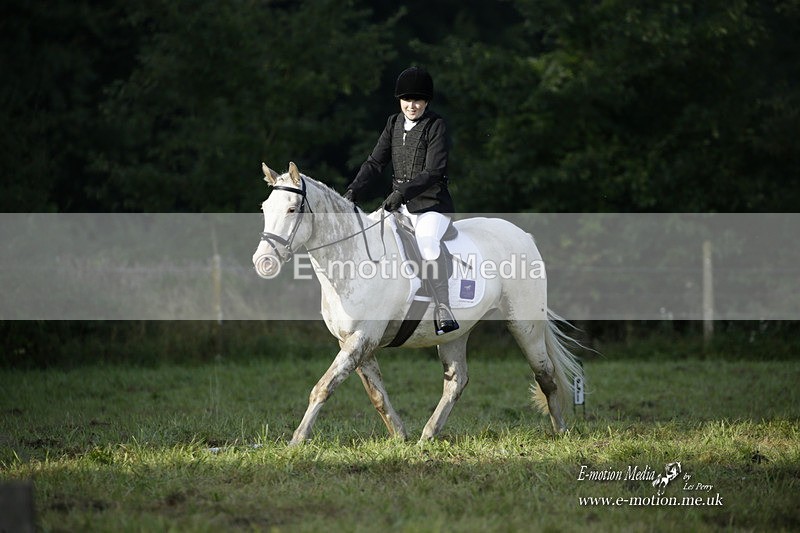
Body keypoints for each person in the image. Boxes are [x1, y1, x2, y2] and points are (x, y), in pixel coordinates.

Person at [344, 66, 459, 335]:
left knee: (428, 244)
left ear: (426, 101)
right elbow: (375, 163)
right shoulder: (393, 123)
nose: (412, 105)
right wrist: (353, 191)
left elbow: (434, 171)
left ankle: (443, 308)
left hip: (432, 206)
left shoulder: (435, 125)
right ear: (400, 100)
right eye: (407, 100)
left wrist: (401, 193)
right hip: (400, 206)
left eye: (418, 100)